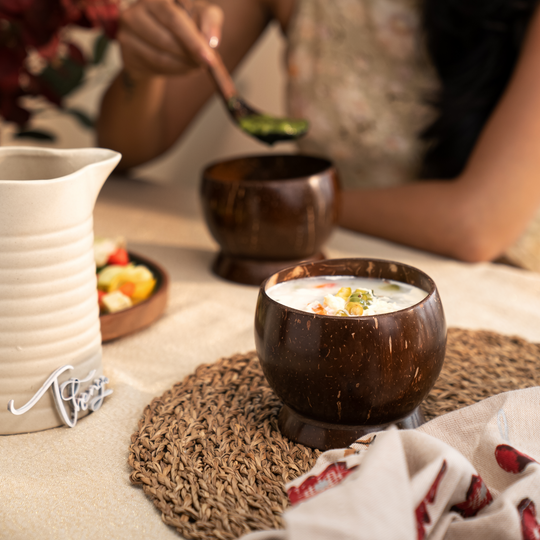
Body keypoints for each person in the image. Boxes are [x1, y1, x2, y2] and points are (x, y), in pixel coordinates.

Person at [97, 0, 540, 271]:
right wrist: (143, 71)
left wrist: (286, 202)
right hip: (326, 267)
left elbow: (477, 227)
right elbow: (127, 148)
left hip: (500, 292)